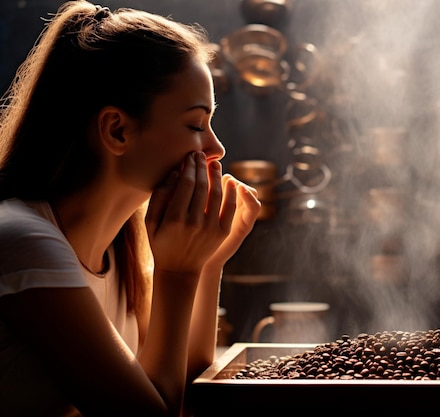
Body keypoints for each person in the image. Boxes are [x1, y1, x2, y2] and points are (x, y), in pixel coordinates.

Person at [0, 1, 261, 416]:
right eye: (196, 125)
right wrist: (179, 272)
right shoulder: (21, 241)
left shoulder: (122, 251)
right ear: (117, 130)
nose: (216, 149)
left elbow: (188, 399)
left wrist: (207, 263)